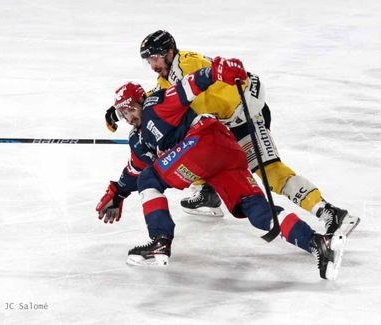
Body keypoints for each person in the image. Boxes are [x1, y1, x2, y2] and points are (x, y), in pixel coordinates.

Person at [96, 57, 346, 280]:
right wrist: (117, 192)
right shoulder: (138, 139)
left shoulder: (156, 104)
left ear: (141, 100)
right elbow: (134, 169)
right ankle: (318, 243)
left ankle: (160, 242)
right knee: (256, 211)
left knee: (151, 178)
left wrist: (217, 71)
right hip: (224, 153)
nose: (128, 117)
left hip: (203, 140)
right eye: (122, 113)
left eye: (130, 108)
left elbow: (188, 86)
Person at [105, 30, 359, 237]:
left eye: (154, 59)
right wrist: (121, 110)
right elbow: (156, 100)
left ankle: (329, 212)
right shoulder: (166, 77)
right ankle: (208, 193)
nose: (152, 65)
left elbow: (200, 81)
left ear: (169, 52)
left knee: (268, 171)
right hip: (223, 124)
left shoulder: (189, 64)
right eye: (148, 61)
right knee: (199, 147)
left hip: (246, 117)